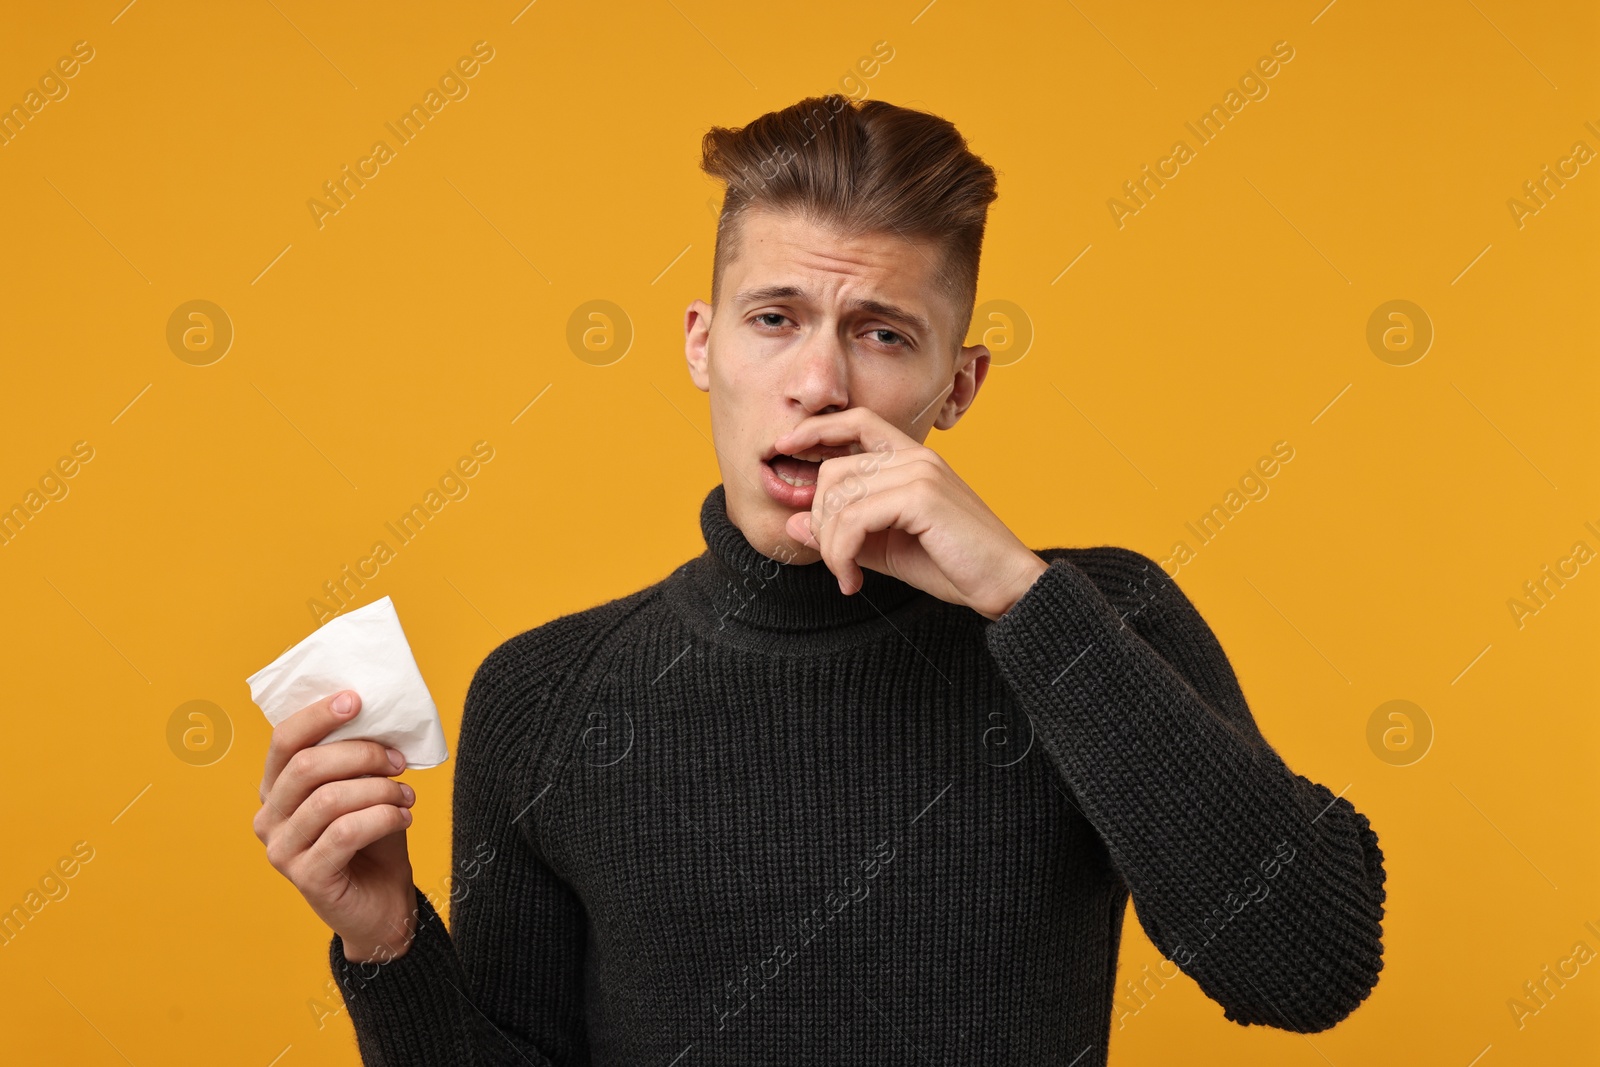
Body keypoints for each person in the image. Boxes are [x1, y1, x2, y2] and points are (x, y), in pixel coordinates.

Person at [253, 93, 1386, 1066]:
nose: (818, 380)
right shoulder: (548, 695)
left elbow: (1307, 965)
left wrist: (1021, 596)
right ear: (702, 345)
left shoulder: (1093, 620)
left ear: (958, 384)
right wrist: (386, 942)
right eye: (773, 319)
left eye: (884, 333)